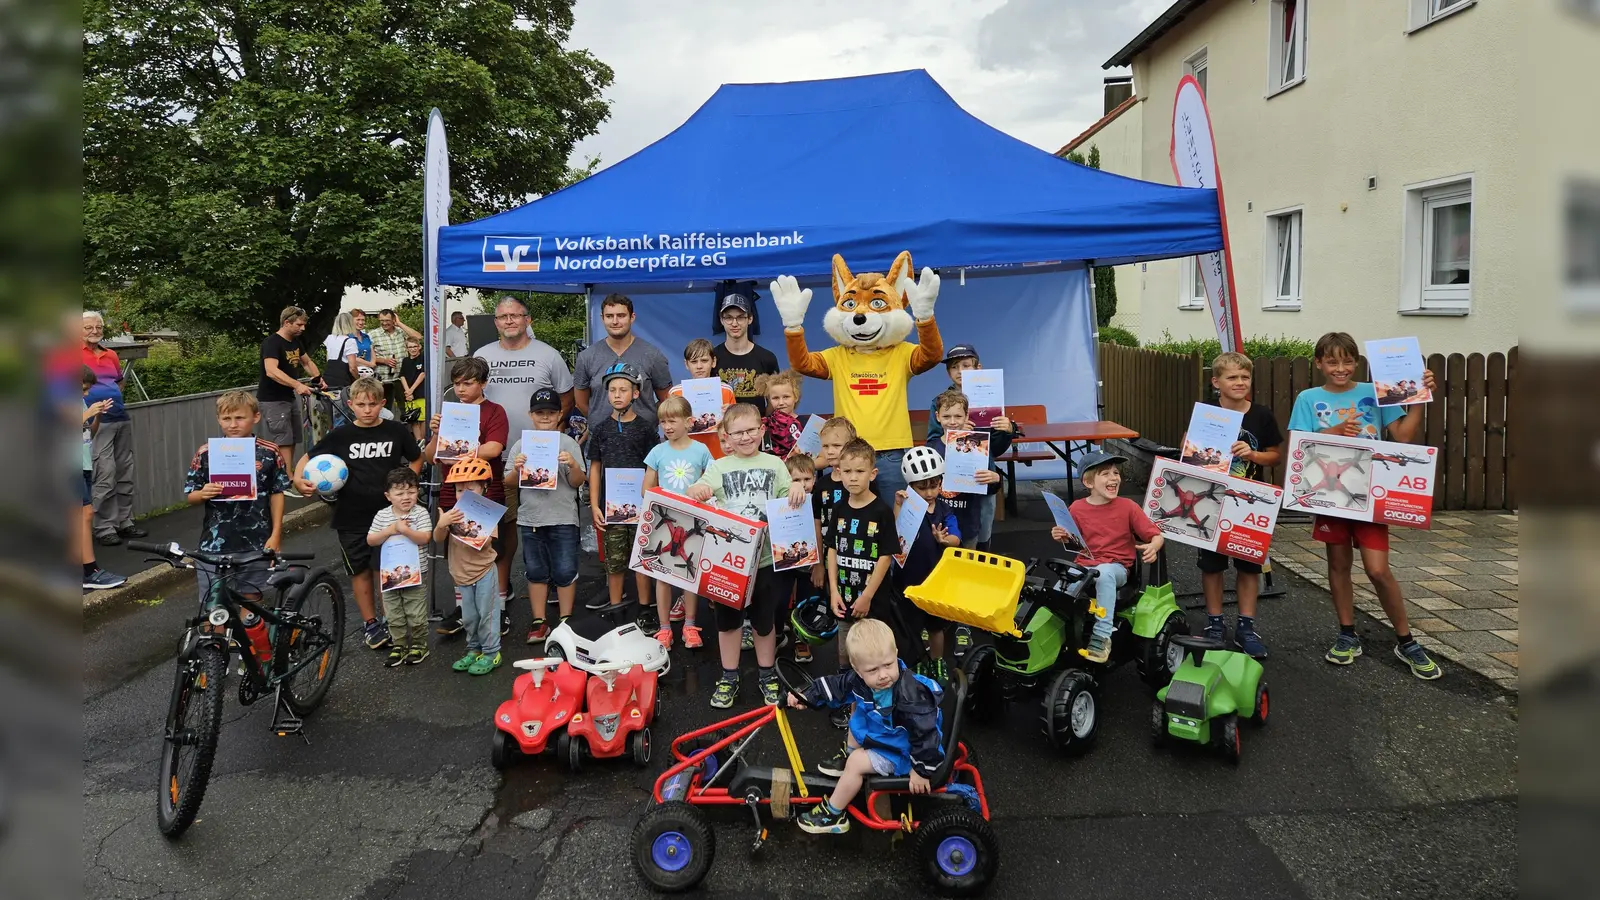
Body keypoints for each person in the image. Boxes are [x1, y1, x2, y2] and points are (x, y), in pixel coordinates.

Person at [1288, 332, 1442, 680]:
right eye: (1332, 361)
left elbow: (1403, 436)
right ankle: (1347, 633)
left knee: (1377, 570)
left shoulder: (1373, 393)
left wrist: (1419, 396)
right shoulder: (1308, 398)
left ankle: (1406, 640)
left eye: (1346, 361)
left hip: (1371, 494)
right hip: (1330, 493)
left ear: (1356, 363)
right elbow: (1297, 446)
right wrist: (1336, 430)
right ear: (1318, 363)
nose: (1340, 368)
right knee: (1339, 565)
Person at [686, 403, 805, 709]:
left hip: (766, 559)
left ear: (761, 430)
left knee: (765, 623)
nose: (745, 437)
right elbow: (698, 489)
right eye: (738, 432)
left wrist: (795, 487)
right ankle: (729, 675)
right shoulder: (719, 467)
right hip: (729, 562)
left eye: (751, 430)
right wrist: (698, 488)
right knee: (728, 622)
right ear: (726, 436)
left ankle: (766, 674)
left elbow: (788, 495)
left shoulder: (775, 464)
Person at [295, 377, 423, 650]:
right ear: (350, 404)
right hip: (351, 516)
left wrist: (409, 484)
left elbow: (416, 456)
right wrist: (297, 479)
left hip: (389, 515)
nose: (367, 410)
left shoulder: (396, 430)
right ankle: (371, 623)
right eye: (361, 404)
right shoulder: (341, 435)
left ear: (382, 403)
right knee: (360, 571)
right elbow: (308, 458)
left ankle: (392, 620)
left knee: (384, 569)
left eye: (372, 404)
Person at [789, 618, 944, 835]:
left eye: (888, 665)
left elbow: (926, 735)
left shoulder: (910, 696)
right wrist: (807, 695)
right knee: (856, 707)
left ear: (896, 653)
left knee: (856, 763)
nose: (883, 675)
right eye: (873, 670)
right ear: (857, 669)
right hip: (889, 736)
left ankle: (833, 813)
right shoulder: (860, 681)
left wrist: (921, 771)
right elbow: (836, 686)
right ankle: (850, 755)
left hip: (904, 753)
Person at [1198, 351, 1284, 659]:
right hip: (1211, 498)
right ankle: (1215, 623)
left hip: (1250, 502)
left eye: (1245, 377)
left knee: (1249, 566)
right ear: (1216, 382)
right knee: (1212, 565)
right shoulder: (1206, 412)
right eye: (1232, 377)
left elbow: (1274, 455)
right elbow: (1190, 448)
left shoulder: (1261, 415)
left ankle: (1246, 627)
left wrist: (1252, 455)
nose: (1239, 382)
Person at [1050, 450, 1164, 663]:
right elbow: (1072, 541)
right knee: (1060, 587)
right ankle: (1054, 632)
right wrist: (1060, 535)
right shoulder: (1077, 508)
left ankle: (1102, 636)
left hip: (1116, 568)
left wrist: (1153, 546)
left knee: (1103, 574)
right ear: (1088, 482)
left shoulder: (1128, 507)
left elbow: (1155, 534)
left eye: (1116, 473)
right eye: (1106, 474)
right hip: (1085, 566)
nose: (1114, 478)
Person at [428, 357, 509, 637]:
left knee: (486, 550)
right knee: (458, 550)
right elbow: (430, 456)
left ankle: (496, 606)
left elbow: (494, 448)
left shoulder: (494, 411)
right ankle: (464, 610)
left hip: (484, 491)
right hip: (453, 492)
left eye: (468, 383)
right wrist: (436, 434)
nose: (461, 389)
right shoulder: (448, 414)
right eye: (456, 384)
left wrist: (461, 449)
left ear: (483, 383)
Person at [183, 391, 289, 604]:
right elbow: (191, 495)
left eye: (239, 418)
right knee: (212, 607)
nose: (233, 424)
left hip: (256, 542)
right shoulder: (206, 452)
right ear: (218, 420)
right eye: (226, 419)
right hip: (214, 544)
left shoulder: (270, 452)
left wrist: (276, 534)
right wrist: (202, 493)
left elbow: (277, 493)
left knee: (251, 602)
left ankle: (247, 639)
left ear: (256, 417)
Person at [506, 388, 587, 644]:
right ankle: (539, 620)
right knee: (535, 570)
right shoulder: (521, 445)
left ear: (559, 415)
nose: (545, 417)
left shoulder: (569, 444)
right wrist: (517, 469)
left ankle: (565, 620)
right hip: (531, 518)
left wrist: (573, 464)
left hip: (563, 517)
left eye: (550, 413)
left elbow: (578, 482)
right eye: (540, 413)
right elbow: (508, 482)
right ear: (531, 415)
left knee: (565, 569)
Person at [587, 363, 660, 624]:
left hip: (641, 506)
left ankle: (645, 608)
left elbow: (655, 467)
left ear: (636, 394)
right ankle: (616, 606)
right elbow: (595, 467)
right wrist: (594, 504)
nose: (617, 394)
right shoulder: (601, 429)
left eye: (624, 389)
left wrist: (652, 503)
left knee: (642, 557)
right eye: (613, 390)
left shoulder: (646, 428)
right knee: (615, 560)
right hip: (611, 507)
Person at [642, 396, 715, 649]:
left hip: (693, 522)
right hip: (664, 522)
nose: (667, 426)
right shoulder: (657, 451)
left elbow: (711, 482)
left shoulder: (702, 450)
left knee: (689, 574)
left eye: (672, 421)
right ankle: (664, 629)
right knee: (662, 576)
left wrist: (703, 493)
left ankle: (690, 625)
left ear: (689, 421)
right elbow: (646, 489)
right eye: (663, 422)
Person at [893, 447, 963, 683]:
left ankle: (937, 661)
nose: (929, 492)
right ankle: (918, 661)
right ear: (910, 486)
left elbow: (956, 537)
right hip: (909, 580)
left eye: (934, 486)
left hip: (936, 581)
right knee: (910, 627)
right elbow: (895, 532)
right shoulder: (909, 508)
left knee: (936, 626)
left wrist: (945, 541)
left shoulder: (944, 511)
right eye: (922, 487)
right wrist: (898, 506)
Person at [433, 457, 502, 675]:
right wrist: (443, 524)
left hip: (483, 572)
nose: (463, 494)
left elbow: (488, 541)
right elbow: (437, 538)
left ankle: (491, 652)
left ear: (484, 488)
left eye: (470, 488)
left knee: (487, 614)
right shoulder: (450, 514)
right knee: (470, 616)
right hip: (461, 575)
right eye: (459, 489)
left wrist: (471, 527)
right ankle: (473, 649)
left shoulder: (487, 513)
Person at [83, 310, 145, 546]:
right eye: (88, 327)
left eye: (98, 327)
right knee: (105, 473)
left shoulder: (110, 355)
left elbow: (119, 382)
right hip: (96, 423)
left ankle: (124, 522)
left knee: (124, 471)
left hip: (121, 417)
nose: (94, 331)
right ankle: (104, 527)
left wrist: (111, 397)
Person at [367, 467, 433, 666]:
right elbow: (371, 539)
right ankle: (399, 644)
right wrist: (391, 529)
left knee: (416, 611)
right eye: (400, 493)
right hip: (390, 574)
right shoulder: (382, 516)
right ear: (388, 496)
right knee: (394, 611)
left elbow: (425, 538)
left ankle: (420, 644)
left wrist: (405, 530)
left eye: (411, 492)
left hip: (415, 572)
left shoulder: (420, 513)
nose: (406, 497)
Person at [573, 293, 672, 426]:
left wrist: (647, 421)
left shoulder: (652, 355)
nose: (615, 321)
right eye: (609, 316)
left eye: (621, 315)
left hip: (643, 442)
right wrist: (602, 424)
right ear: (602, 318)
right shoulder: (586, 357)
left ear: (632, 317)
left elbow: (667, 399)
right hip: (601, 441)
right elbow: (581, 403)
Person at [258, 305, 325, 477]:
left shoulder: (295, 342)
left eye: (304, 325)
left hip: (288, 397)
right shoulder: (272, 342)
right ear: (287, 322)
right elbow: (271, 370)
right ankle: (284, 479)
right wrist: (297, 385)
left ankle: (288, 475)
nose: (303, 328)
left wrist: (318, 379)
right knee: (283, 439)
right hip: (273, 399)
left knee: (293, 438)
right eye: (299, 325)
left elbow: (307, 362)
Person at [79, 367, 125, 589]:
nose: (86, 394)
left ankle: (88, 570)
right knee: (84, 514)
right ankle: (90, 571)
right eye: (83, 389)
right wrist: (86, 414)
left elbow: (90, 432)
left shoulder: (80, 403)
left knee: (82, 515)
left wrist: (96, 415)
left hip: (83, 464)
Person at [711, 290, 780, 414]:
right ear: (721, 320)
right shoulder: (712, 358)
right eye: (729, 318)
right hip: (723, 431)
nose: (734, 323)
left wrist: (764, 425)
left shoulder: (767, 358)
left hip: (757, 431)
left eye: (740, 317)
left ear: (750, 319)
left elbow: (774, 400)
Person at [670, 338, 735, 460]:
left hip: (719, 454)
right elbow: (669, 427)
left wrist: (731, 413)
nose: (699, 366)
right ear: (686, 364)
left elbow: (735, 427)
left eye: (704, 361)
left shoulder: (726, 390)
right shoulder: (675, 392)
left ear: (713, 362)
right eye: (694, 362)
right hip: (688, 456)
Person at [783, 452, 819, 664]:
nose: (803, 485)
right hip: (786, 562)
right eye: (797, 480)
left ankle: (802, 639)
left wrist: (818, 564)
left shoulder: (819, 502)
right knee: (781, 599)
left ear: (814, 479)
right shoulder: (781, 501)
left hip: (810, 564)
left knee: (806, 601)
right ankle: (778, 632)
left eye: (807, 479)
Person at [924, 344, 981, 444]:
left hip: (984, 457)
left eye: (966, 366)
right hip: (949, 458)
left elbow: (997, 446)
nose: (960, 371)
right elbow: (933, 442)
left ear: (978, 368)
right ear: (948, 372)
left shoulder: (990, 397)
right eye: (954, 367)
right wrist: (956, 433)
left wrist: (1008, 431)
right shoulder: (939, 401)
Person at [367, 308, 421, 413]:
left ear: (393, 320)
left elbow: (418, 337)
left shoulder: (401, 332)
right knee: (384, 410)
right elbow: (368, 358)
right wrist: (384, 361)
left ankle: (405, 428)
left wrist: (400, 324)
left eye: (387, 320)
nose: (384, 323)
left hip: (402, 378)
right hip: (384, 379)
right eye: (381, 320)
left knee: (406, 409)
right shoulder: (373, 335)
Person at [756, 369, 805, 459]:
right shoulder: (764, 425)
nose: (781, 402)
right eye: (775, 398)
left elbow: (821, 458)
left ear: (796, 397)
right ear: (769, 400)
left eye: (786, 397)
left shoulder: (806, 424)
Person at [400, 335, 426, 443]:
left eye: (415, 346)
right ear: (407, 349)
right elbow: (402, 376)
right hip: (409, 396)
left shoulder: (423, 358)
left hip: (420, 393)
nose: (413, 349)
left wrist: (412, 389)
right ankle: (418, 441)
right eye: (410, 347)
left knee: (423, 418)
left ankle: (423, 440)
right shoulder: (405, 361)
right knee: (413, 419)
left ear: (419, 347)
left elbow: (422, 374)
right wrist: (407, 391)